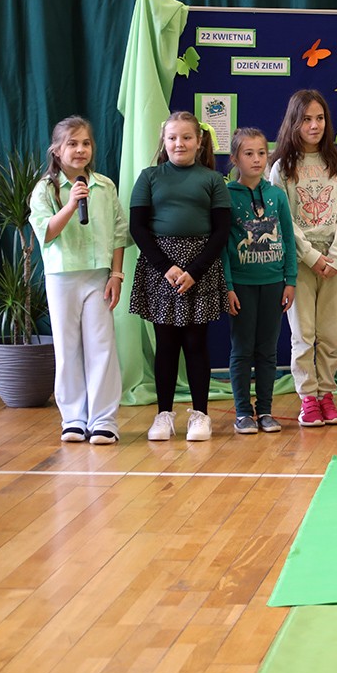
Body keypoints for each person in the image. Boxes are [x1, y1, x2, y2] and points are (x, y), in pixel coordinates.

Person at [130, 111, 231, 442]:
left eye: (186, 137)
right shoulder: (149, 177)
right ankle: (163, 415)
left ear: (199, 141)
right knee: (166, 344)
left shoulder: (212, 180)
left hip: (200, 266)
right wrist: (167, 267)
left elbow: (221, 231)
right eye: (172, 137)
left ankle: (200, 415)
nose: (179, 143)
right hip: (161, 267)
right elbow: (138, 228)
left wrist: (195, 270)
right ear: (164, 140)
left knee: (196, 342)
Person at [29, 116, 129, 445]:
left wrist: (116, 274)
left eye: (86, 143)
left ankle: (103, 420)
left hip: (99, 275)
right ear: (57, 151)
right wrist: (72, 203)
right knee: (67, 348)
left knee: (101, 346)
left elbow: (118, 232)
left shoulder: (104, 186)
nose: (80, 149)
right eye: (72, 143)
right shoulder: (45, 189)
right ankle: (73, 418)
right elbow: (46, 232)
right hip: (63, 277)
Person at [269, 89, 337, 428]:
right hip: (301, 262)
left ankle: (326, 394)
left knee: (331, 333)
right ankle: (308, 397)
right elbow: (282, 219)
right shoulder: (282, 168)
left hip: (335, 261)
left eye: (319, 118)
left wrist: (335, 256)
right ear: (294, 122)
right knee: (303, 333)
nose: (314, 125)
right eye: (306, 119)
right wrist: (310, 257)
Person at [223, 128, 296, 435]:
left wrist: (290, 280)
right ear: (235, 159)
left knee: (268, 350)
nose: (256, 159)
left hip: (273, 283)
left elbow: (288, 238)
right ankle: (243, 412)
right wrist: (227, 286)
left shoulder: (277, 195)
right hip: (242, 285)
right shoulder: (226, 195)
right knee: (242, 349)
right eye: (248, 153)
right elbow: (222, 246)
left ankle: (265, 410)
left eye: (262, 153)